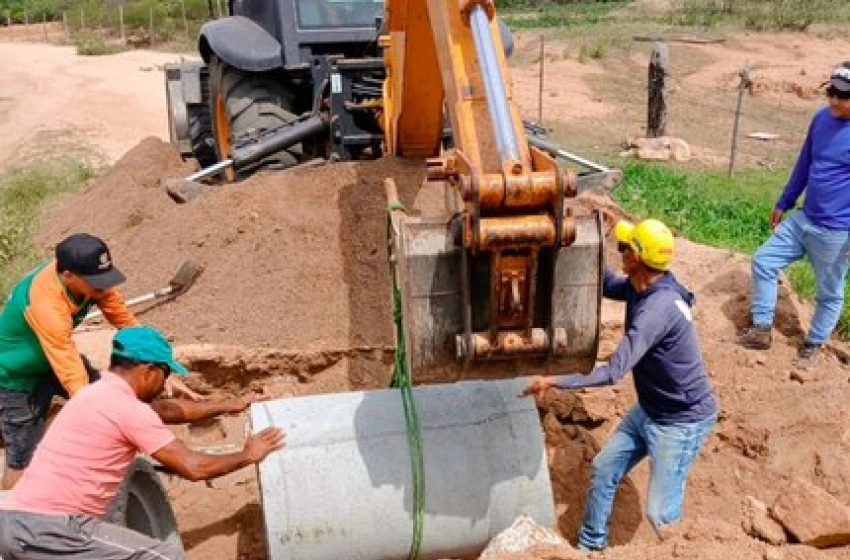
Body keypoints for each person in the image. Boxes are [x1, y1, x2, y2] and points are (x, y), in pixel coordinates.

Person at [0, 325, 284, 560]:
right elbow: (194, 467)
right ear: (149, 370)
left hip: (17, 523)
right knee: (164, 557)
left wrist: (231, 405)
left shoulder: (96, 395)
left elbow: (167, 411)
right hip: (54, 530)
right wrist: (247, 455)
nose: (165, 384)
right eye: (165, 374)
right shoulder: (127, 410)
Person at [523, 218, 718, 553]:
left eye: (624, 248)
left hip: (681, 420)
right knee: (604, 468)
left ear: (637, 259)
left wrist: (554, 380)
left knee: (661, 515)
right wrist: (586, 243)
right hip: (651, 410)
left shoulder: (656, 311)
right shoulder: (640, 284)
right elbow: (601, 282)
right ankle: (591, 546)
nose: (620, 251)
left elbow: (613, 372)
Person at [0, 233, 201, 489]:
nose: (104, 287)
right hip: (16, 378)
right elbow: (72, 375)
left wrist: (163, 368)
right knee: (23, 460)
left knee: (118, 397)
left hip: (54, 360)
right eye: (97, 283)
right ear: (69, 275)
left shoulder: (91, 281)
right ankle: (13, 518)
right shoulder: (46, 305)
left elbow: (125, 322)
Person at [740, 62, 850, 367]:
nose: (834, 101)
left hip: (837, 231)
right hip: (804, 218)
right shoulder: (821, 119)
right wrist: (785, 200)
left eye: (843, 96)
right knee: (764, 260)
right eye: (831, 93)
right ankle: (761, 329)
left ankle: (813, 345)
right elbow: (805, 164)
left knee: (829, 292)